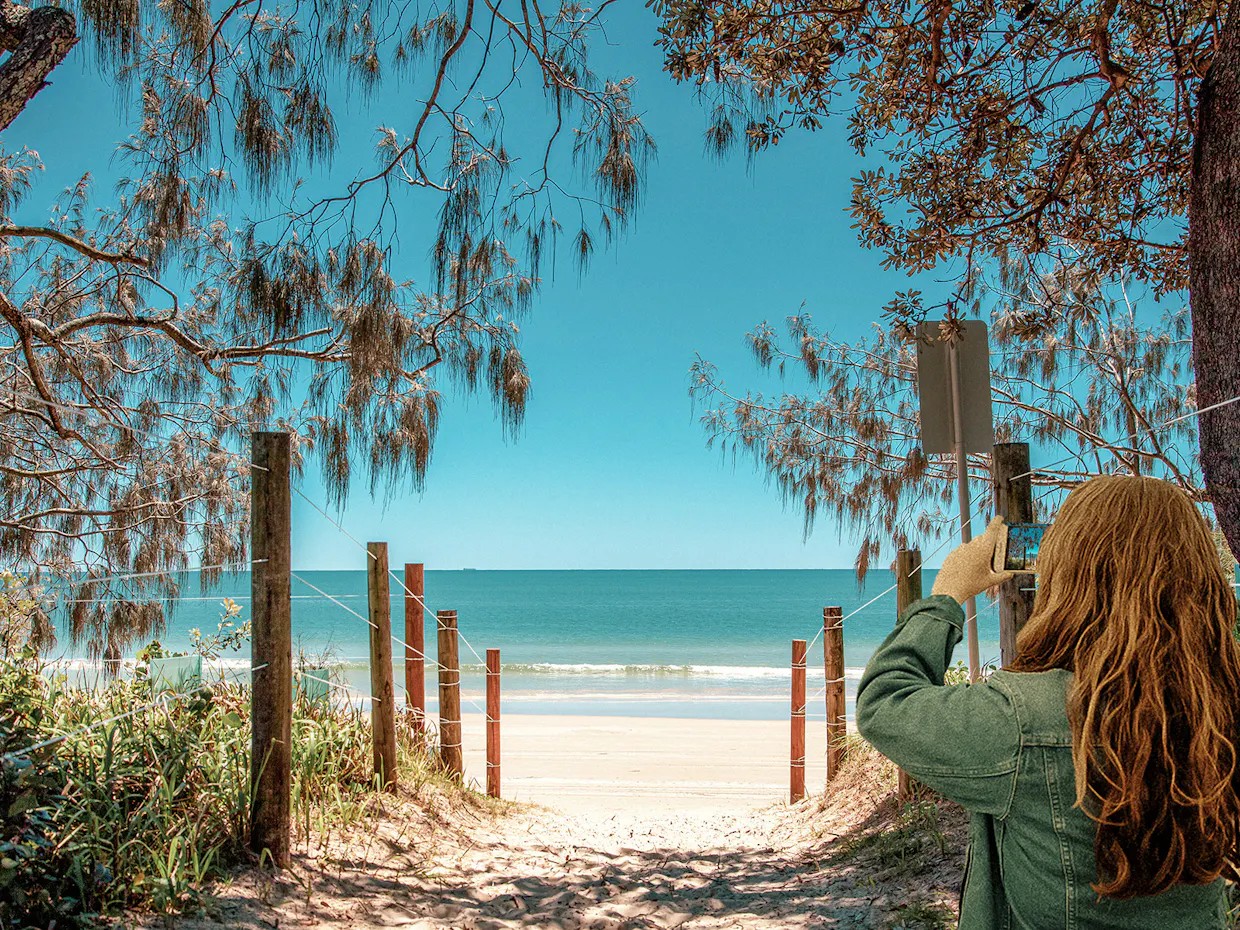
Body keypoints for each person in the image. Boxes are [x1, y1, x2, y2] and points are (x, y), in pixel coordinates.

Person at [855, 475, 1240, 929]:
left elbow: (884, 702)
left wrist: (947, 594)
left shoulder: (1023, 718)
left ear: (1067, 574)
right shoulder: (1223, 701)